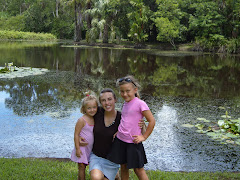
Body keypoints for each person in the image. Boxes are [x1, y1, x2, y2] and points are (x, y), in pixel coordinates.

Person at [107, 75, 156, 180]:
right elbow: (126, 119)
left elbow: (152, 121)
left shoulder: (140, 104)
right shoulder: (126, 103)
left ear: (135, 90)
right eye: (122, 91)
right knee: (123, 167)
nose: (124, 94)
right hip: (121, 141)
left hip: (133, 142)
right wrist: (118, 132)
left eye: (127, 91)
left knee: (138, 169)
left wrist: (144, 137)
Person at [71, 95, 98, 180]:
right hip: (82, 148)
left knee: (91, 166)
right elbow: (76, 134)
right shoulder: (82, 120)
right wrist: (77, 149)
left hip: (91, 148)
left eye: (94, 107)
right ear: (84, 109)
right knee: (82, 167)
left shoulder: (96, 118)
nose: (92, 110)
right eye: (89, 108)